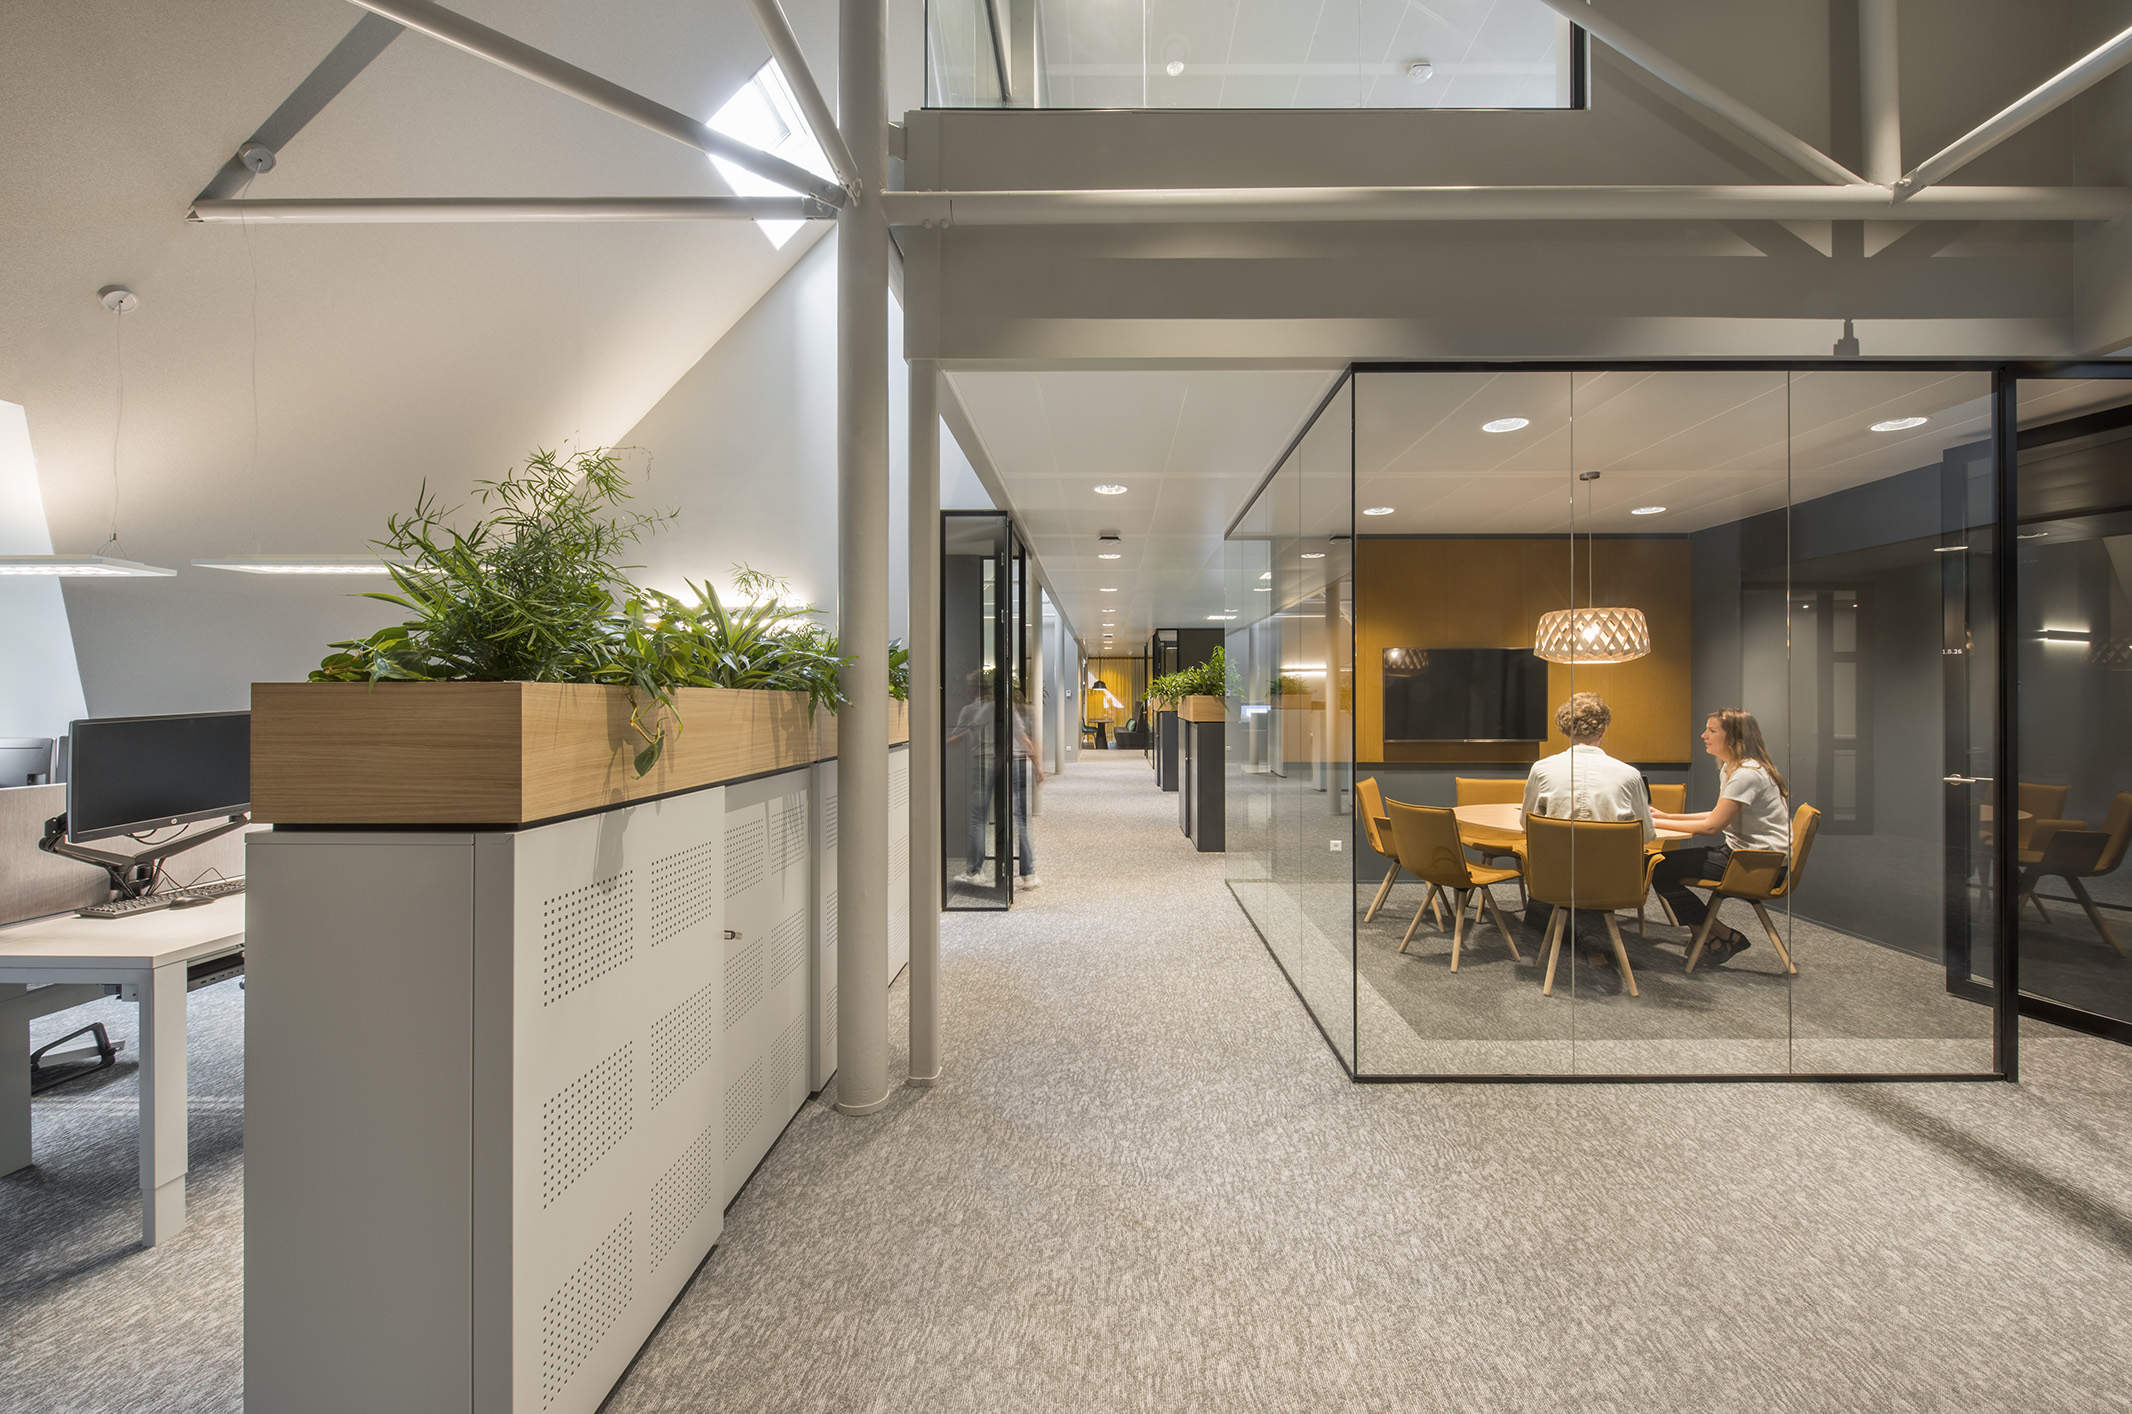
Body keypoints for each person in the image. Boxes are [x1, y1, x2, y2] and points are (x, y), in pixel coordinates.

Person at [1650, 708, 1792, 966]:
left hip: (1760, 865)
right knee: (1658, 865)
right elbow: (1716, 815)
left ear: (1734, 737)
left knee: (1657, 867)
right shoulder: (1732, 769)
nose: (1703, 735)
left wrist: (1654, 821)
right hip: (1746, 857)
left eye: (1712, 730)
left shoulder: (1746, 775)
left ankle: (1719, 935)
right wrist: (1667, 816)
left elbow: (1712, 827)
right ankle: (1714, 935)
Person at [1520, 692, 1655, 943]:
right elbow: (1645, 835)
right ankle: (1591, 934)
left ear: (1565, 730)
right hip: (1610, 881)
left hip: (1554, 877)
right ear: (1603, 729)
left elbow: (1527, 824)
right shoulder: (1629, 774)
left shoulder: (1542, 769)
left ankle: (1561, 933)